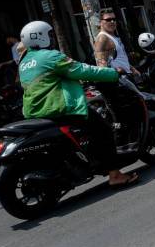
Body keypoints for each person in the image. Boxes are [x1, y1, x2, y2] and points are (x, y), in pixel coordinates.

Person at [19, 20, 138, 186]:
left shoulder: (24, 62)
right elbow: (82, 70)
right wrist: (112, 73)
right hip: (59, 108)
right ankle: (115, 175)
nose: (52, 39)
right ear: (40, 37)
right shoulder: (50, 56)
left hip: (37, 112)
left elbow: (51, 80)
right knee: (103, 129)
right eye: (50, 35)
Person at [94, 9, 138, 74]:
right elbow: (101, 66)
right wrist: (117, 71)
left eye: (114, 19)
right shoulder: (102, 38)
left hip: (128, 77)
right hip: (119, 81)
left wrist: (131, 68)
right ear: (100, 22)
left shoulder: (113, 36)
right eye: (108, 20)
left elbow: (120, 58)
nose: (112, 21)